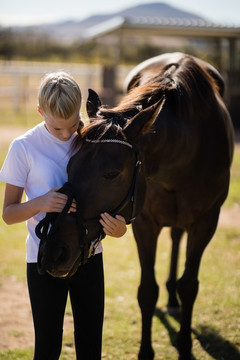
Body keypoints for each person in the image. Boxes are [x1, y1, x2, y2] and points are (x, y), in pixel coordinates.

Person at [0, 71, 127, 360]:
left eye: (73, 125)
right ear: (40, 112)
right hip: (45, 258)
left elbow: (112, 195)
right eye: (57, 129)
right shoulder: (23, 147)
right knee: (47, 349)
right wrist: (42, 202)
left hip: (90, 256)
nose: (67, 135)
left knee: (90, 346)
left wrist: (120, 228)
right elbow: (8, 214)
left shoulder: (92, 140)